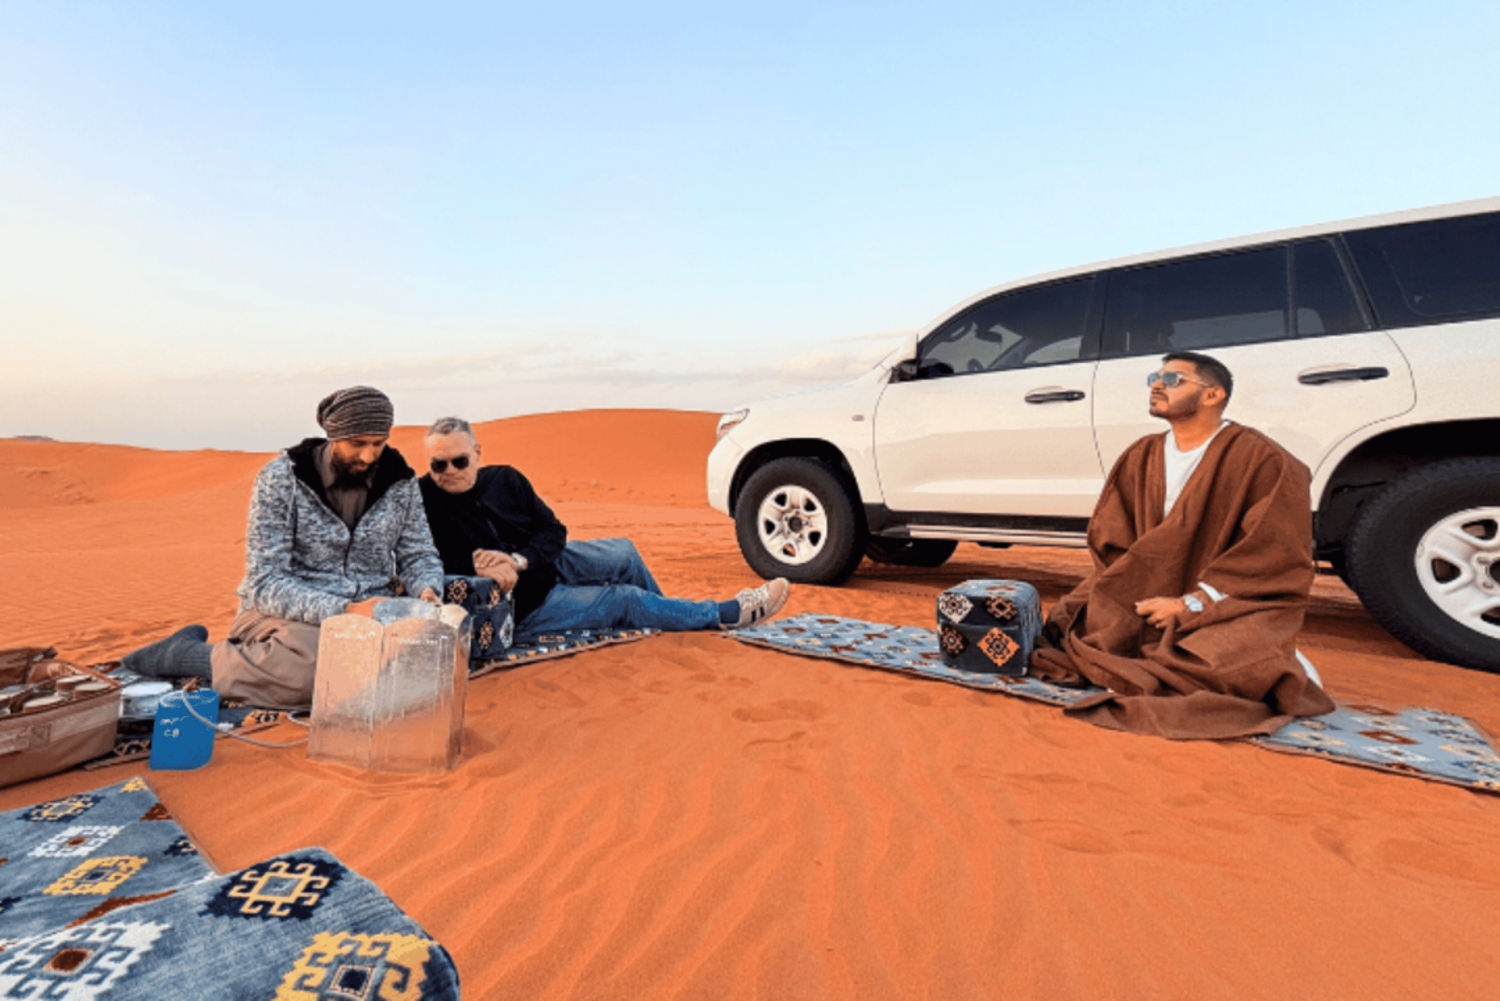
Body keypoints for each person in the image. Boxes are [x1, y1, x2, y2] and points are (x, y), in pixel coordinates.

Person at [1029, 351, 1335, 738]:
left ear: (1213, 395)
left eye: (1173, 379)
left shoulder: (1264, 460)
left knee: (1225, 665)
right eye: (1154, 377)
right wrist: (1133, 587)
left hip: (1226, 601)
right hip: (1142, 591)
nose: (1158, 384)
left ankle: (1274, 661)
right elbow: (1113, 542)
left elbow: (1273, 556)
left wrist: (1190, 604)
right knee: (1073, 631)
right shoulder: (1142, 454)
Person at [122, 386, 445, 709]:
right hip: (285, 616)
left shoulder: (401, 483)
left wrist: (427, 589)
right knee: (321, 667)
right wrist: (345, 611)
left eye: (378, 443)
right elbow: (265, 582)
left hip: (373, 615)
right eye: (357, 444)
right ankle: (187, 656)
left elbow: (418, 554)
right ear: (333, 436)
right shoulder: (281, 480)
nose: (368, 456)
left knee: (424, 661)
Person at [417, 416, 790, 639]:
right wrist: (475, 568)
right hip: (523, 605)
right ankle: (723, 614)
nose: (450, 472)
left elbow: (553, 531)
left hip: (540, 565)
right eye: (439, 465)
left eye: (459, 460)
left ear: (478, 453)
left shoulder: (507, 479)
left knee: (624, 552)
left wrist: (520, 560)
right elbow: (418, 560)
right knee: (623, 599)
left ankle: (670, 617)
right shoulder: (421, 501)